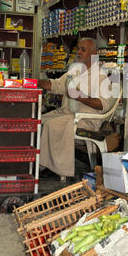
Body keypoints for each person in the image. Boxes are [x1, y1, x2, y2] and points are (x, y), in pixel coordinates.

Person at [38, 38, 115, 179]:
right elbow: (57, 85)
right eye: (78, 49)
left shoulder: (101, 76)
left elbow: (103, 105)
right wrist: (34, 82)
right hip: (68, 113)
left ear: (94, 53)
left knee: (52, 125)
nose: (78, 52)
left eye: (83, 49)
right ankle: (44, 164)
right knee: (39, 121)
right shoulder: (75, 71)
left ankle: (57, 169)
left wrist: (80, 97)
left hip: (87, 119)